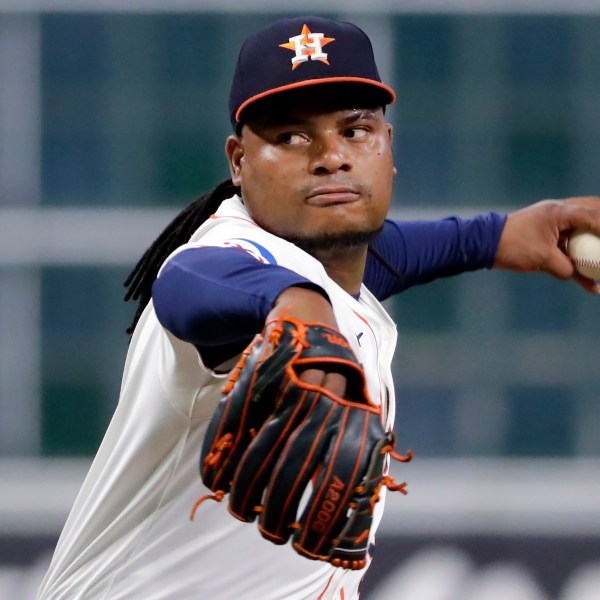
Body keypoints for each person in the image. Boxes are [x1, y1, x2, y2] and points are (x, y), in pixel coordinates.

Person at [38, 15, 600, 600]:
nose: (332, 156)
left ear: (388, 148)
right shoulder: (231, 257)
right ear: (238, 161)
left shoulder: (334, 266)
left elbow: (395, 255)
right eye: (291, 137)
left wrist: (504, 234)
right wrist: (295, 307)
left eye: (356, 130)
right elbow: (187, 282)